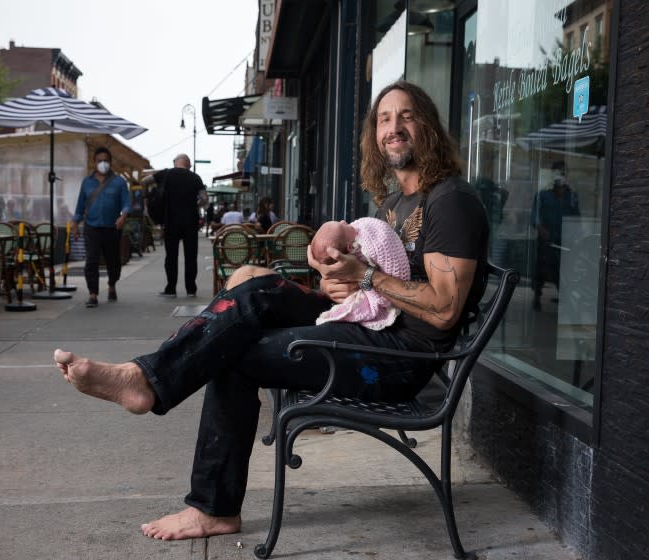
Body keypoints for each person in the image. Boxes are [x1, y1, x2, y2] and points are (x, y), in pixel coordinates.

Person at [53, 80, 488, 542]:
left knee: (233, 350)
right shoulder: (397, 202)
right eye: (384, 119)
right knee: (254, 286)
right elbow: (373, 275)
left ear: (429, 128)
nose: (393, 128)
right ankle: (147, 379)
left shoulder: (451, 202)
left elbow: (442, 310)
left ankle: (211, 503)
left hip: (401, 359)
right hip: (374, 327)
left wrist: (363, 276)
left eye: (406, 116)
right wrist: (336, 278)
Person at [310, 217, 410, 330]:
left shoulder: (369, 239)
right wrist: (326, 284)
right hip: (345, 299)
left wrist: (361, 274)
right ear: (349, 247)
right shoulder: (388, 203)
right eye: (343, 226)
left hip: (405, 321)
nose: (344, 221)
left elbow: (382, 270)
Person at [71, 146, 130, 308]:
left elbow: (126, 203)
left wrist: (122, 216)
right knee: (91, 260)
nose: (102, 163)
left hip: (112, 227)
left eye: (105, 161)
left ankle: (112, 285)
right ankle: (93, 294)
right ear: (94, 162)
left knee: (114, 262)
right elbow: (80, 206)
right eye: (99, 161)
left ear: (110, 162)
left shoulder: (119, 182)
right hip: (92, 226)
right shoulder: (87, 182)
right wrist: (75, 224)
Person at [143, 153, 208, 298]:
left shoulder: (166, 174)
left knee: (171, 256)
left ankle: (170, 288)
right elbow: (204, 199)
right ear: (188, 164)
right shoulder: (195, 178)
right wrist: (195, 205)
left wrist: (148, 199)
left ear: (175, 162)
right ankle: (191, 289)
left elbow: (145, 181)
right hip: (190, 222)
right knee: (191, 256)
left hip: (170, 221)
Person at [530, 160, 579, 310]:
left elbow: (576, 218)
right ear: (553, 175)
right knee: (541, 269)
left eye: (564, 173)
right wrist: (541, 229)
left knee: (562, 270)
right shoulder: (543, 194)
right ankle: (536, 296)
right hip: (546, 239)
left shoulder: (572, 196)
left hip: (565, 239)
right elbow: (535, 217)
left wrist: (576, 235)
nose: (561, 176)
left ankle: (564, 298)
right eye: (558, 173)